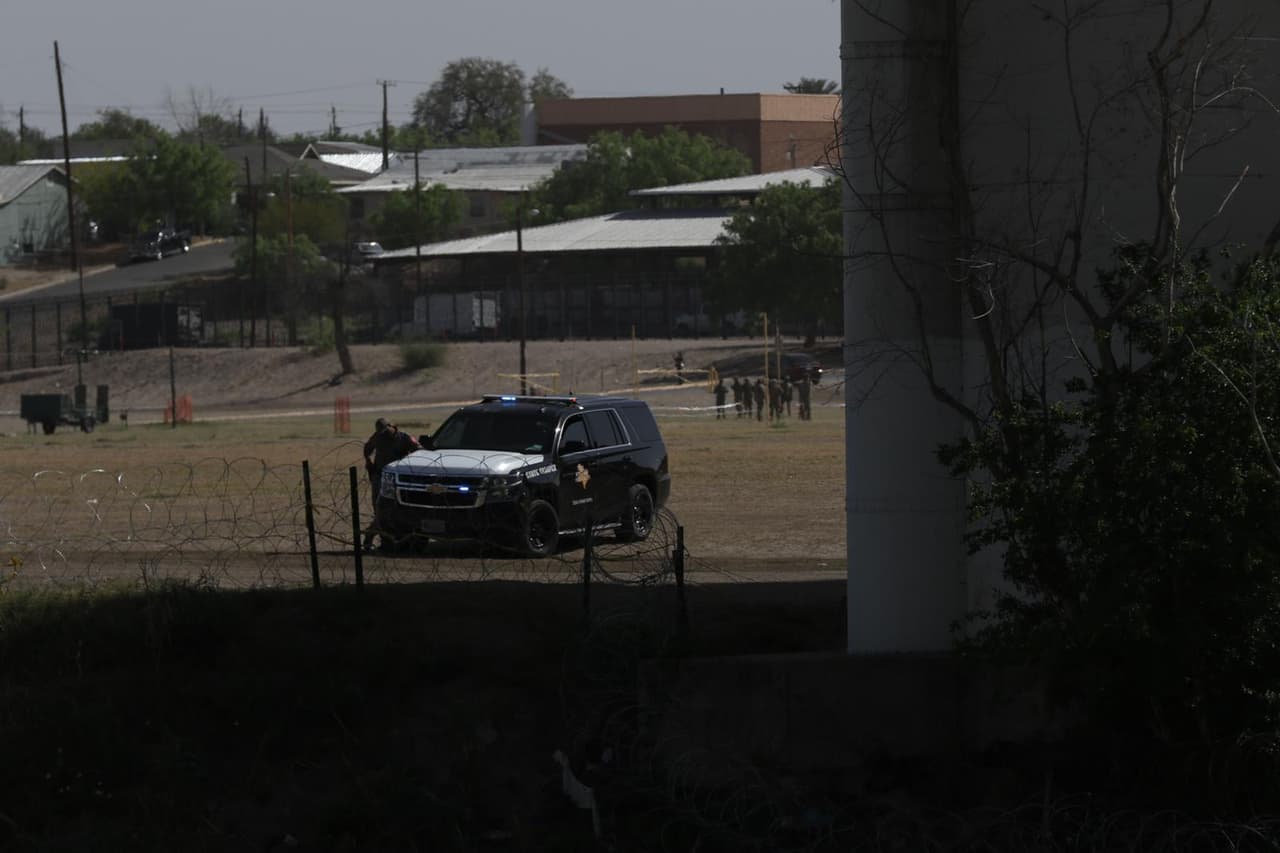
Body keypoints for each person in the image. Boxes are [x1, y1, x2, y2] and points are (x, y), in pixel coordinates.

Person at [362, 417, 419, 549]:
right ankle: (385, 541)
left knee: (392, 510)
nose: (383, 435)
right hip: (379, 476)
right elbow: (367, 449)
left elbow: (419, 450)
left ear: (392, 426)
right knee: (380, 510)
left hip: (397, 479)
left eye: (385, 431)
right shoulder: (378, 437)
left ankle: (374, 534)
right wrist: (368, 461)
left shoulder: (405, 438)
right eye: (380, 433)